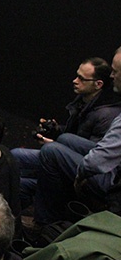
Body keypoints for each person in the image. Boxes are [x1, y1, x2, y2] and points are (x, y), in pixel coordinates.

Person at [12, 57, 121, 209]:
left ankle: (45, 220)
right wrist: (56, 131)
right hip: (79, 163)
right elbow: (75, 138)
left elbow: (98, 158)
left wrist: (56, 147)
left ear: (98, 84)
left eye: (82, 78)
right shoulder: (84, 101)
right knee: (18, 156)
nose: (75, 81)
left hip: (90, 176)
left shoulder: (106, 116)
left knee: (35, 165)